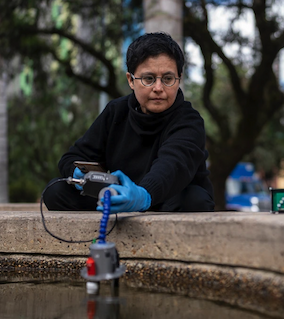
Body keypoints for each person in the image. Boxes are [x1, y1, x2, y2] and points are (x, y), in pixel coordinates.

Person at [43, 32, 215, 213]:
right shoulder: (116, 111)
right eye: (148, 79)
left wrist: (143, 195)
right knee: (56, 190)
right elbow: (73, 157)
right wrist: (78, 173)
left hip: (167, 202)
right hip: (121, 199)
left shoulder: (189, 120)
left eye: (168, 79)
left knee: (195, 200)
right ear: (131, 80)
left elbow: (173, 165)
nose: (158, 88)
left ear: (179, 79)